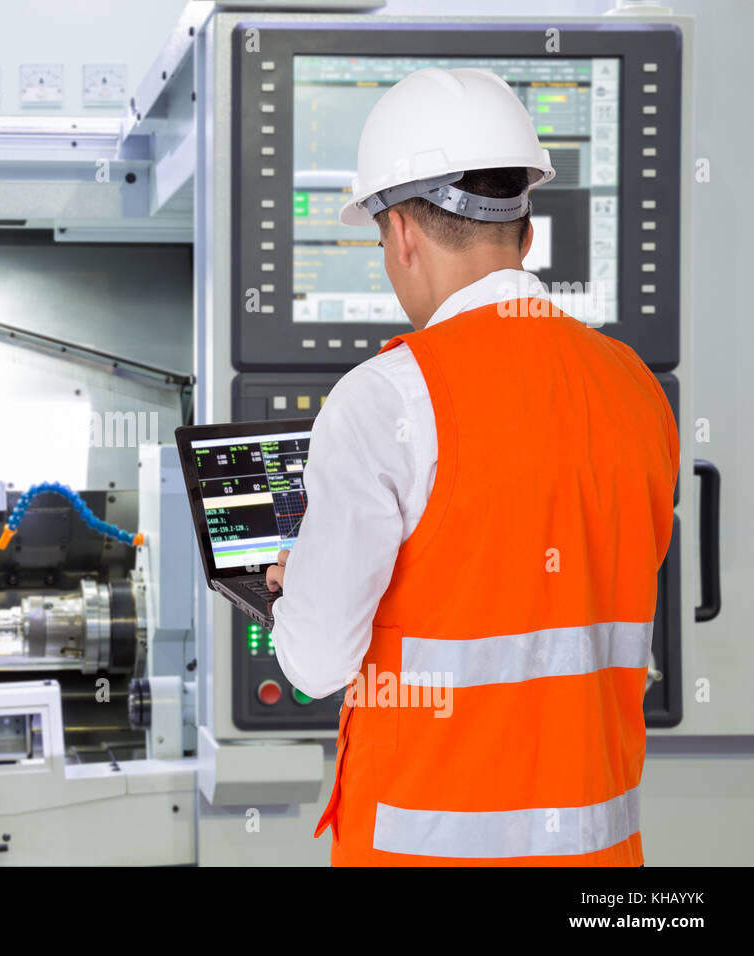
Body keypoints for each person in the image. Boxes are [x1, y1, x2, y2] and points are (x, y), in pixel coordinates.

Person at [264, 67, 678, 865]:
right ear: (524, 233)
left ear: (404, 235)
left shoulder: (383, 398)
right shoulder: (637, 388)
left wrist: (300, 583)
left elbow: (315, 665)